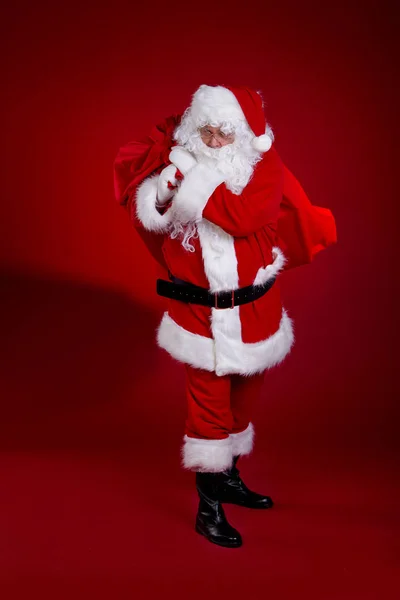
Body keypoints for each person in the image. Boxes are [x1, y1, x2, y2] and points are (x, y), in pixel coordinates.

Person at [113, 84, 336, 548]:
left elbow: (241, 217)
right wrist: (163, 191)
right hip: (198, 312)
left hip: (254, 307)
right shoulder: (178, 163)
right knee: (209, 411)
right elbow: (149, 214)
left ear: (243, 136)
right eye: (206, 131)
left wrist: (191, 179)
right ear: (196, 129)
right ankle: (207, 507)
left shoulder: (264, 165)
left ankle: (230, 479)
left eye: (224, 134)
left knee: (242, 404)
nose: (214, 142)